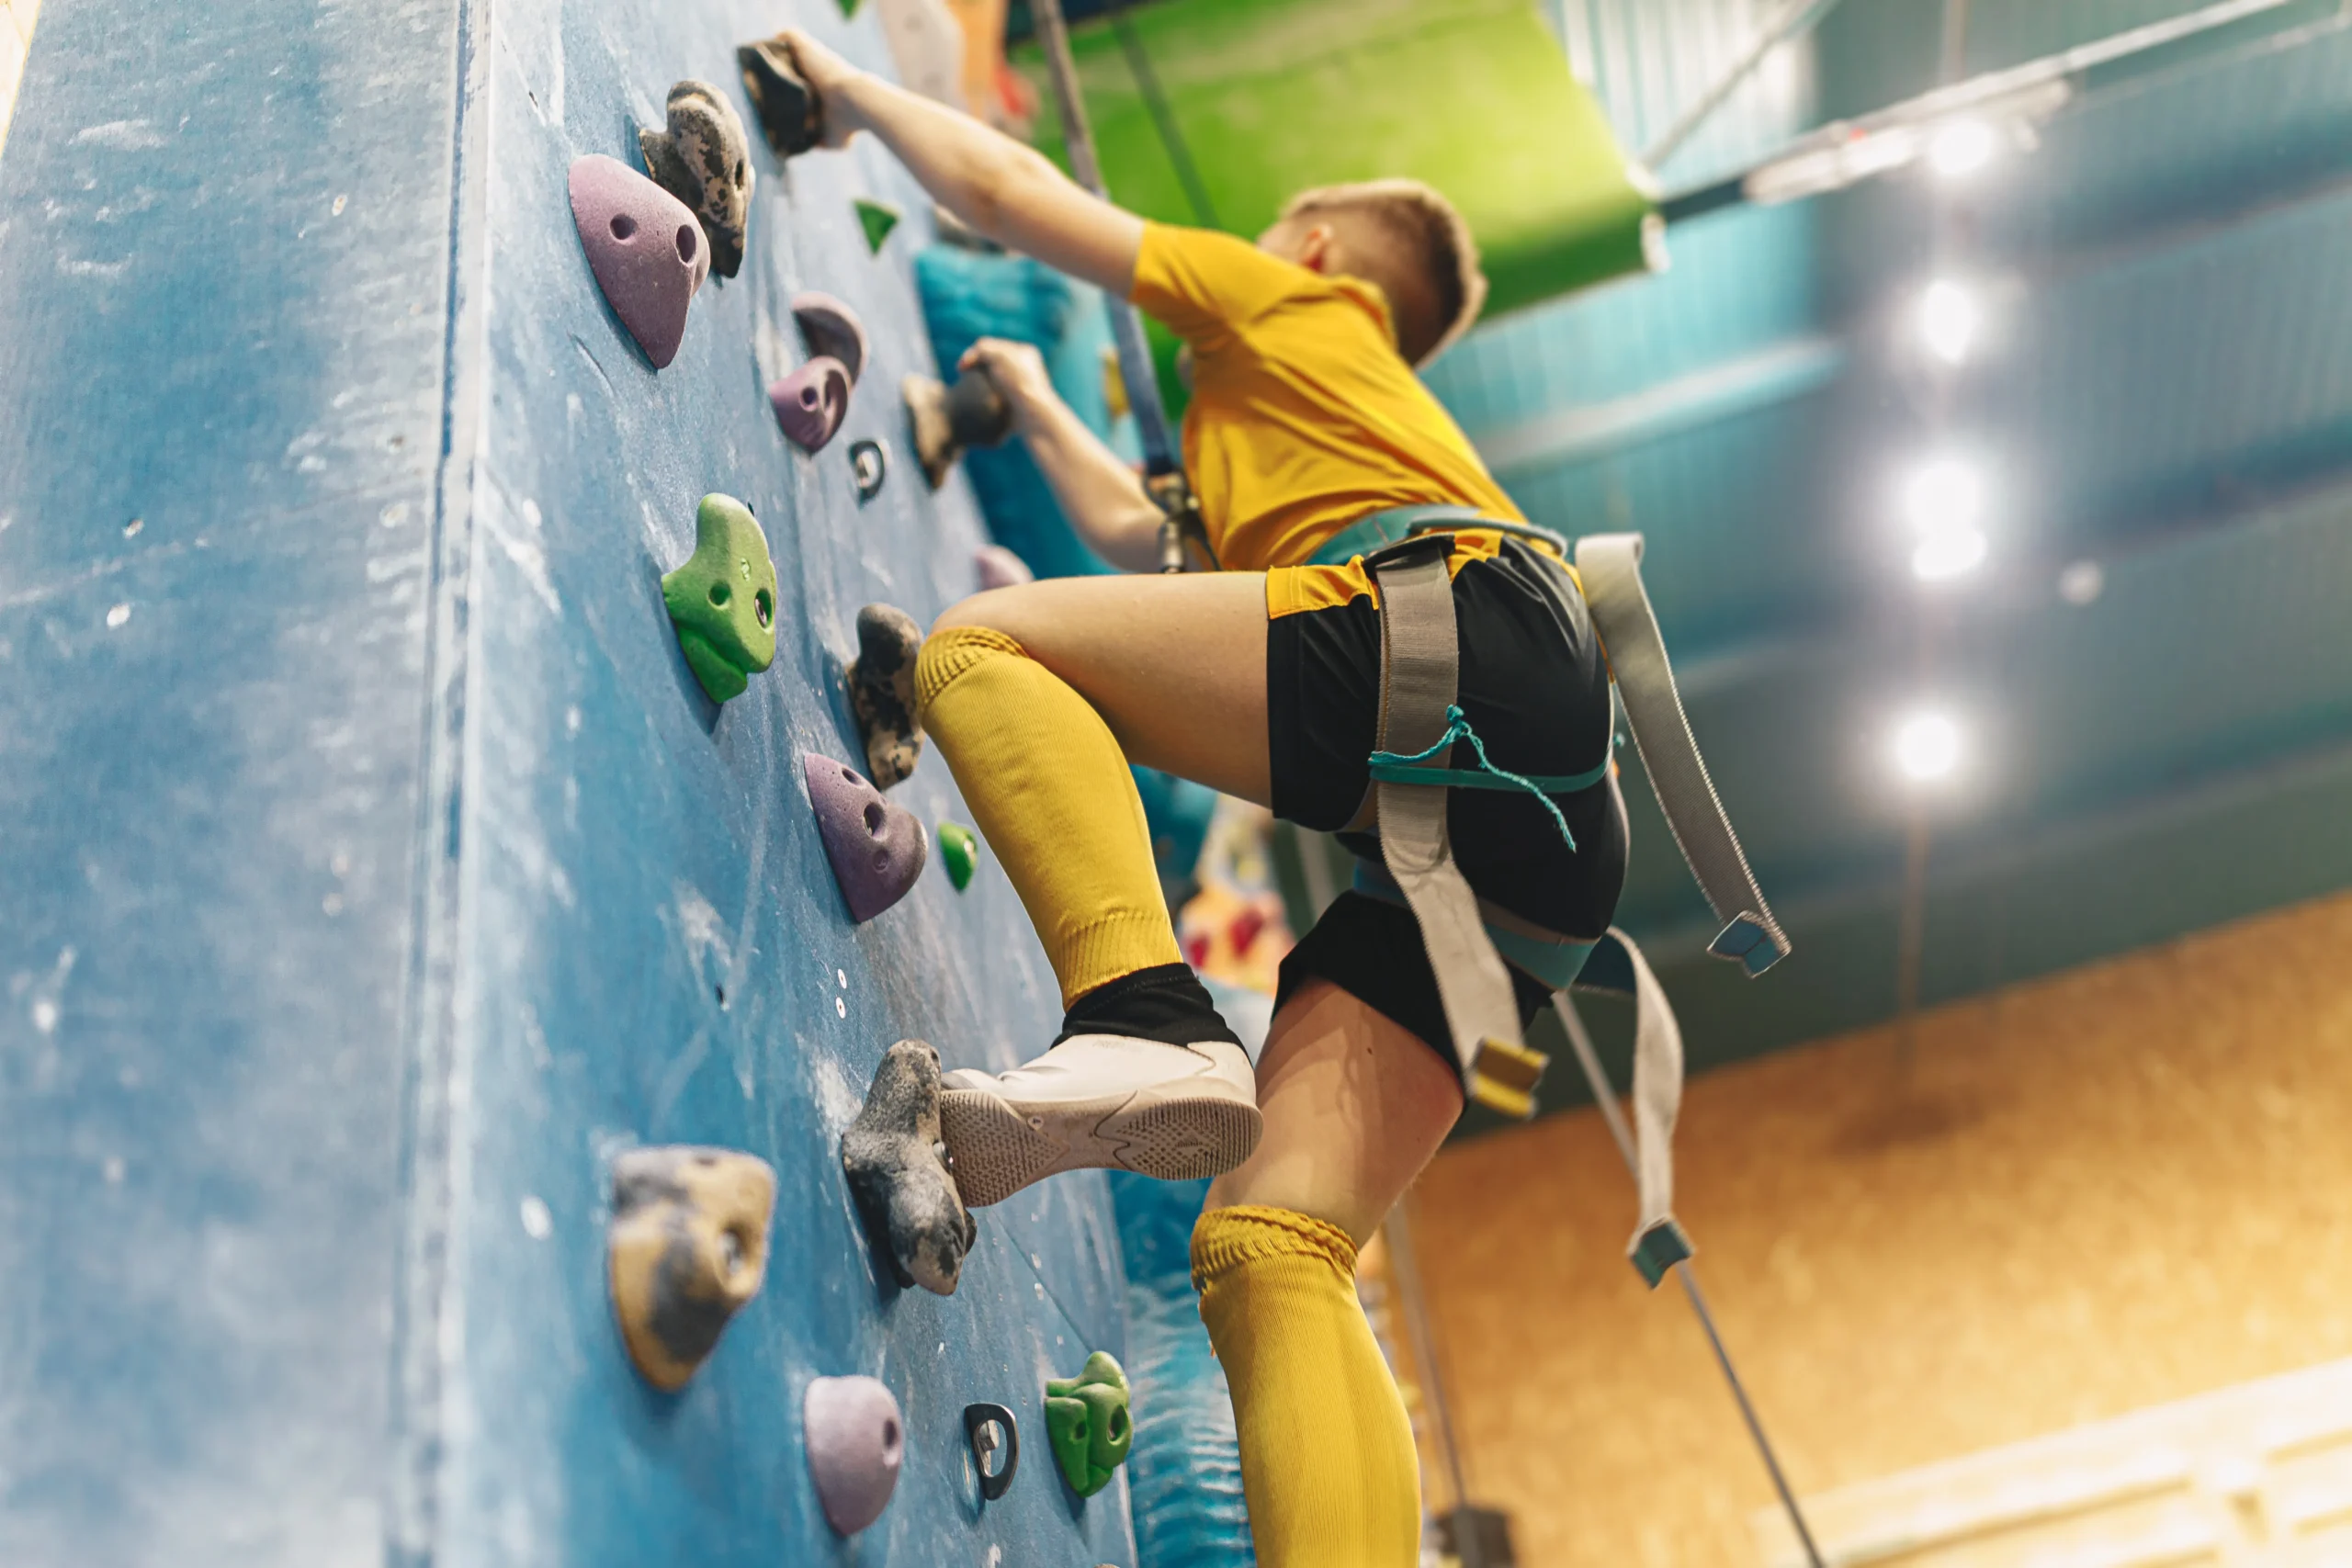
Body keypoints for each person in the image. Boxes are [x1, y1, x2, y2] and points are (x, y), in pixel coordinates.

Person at [778, 30, 1626, 1566]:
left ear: (1305, 250)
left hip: (1460, 649)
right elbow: (1135, 532)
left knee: (986, 649)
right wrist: (1038, 402)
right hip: (1535, 844)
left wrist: (850, 95)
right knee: (1270, 1246)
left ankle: (1143, 1019)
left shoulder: (1294, 301)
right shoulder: (1305, 428)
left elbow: (1005, 182)